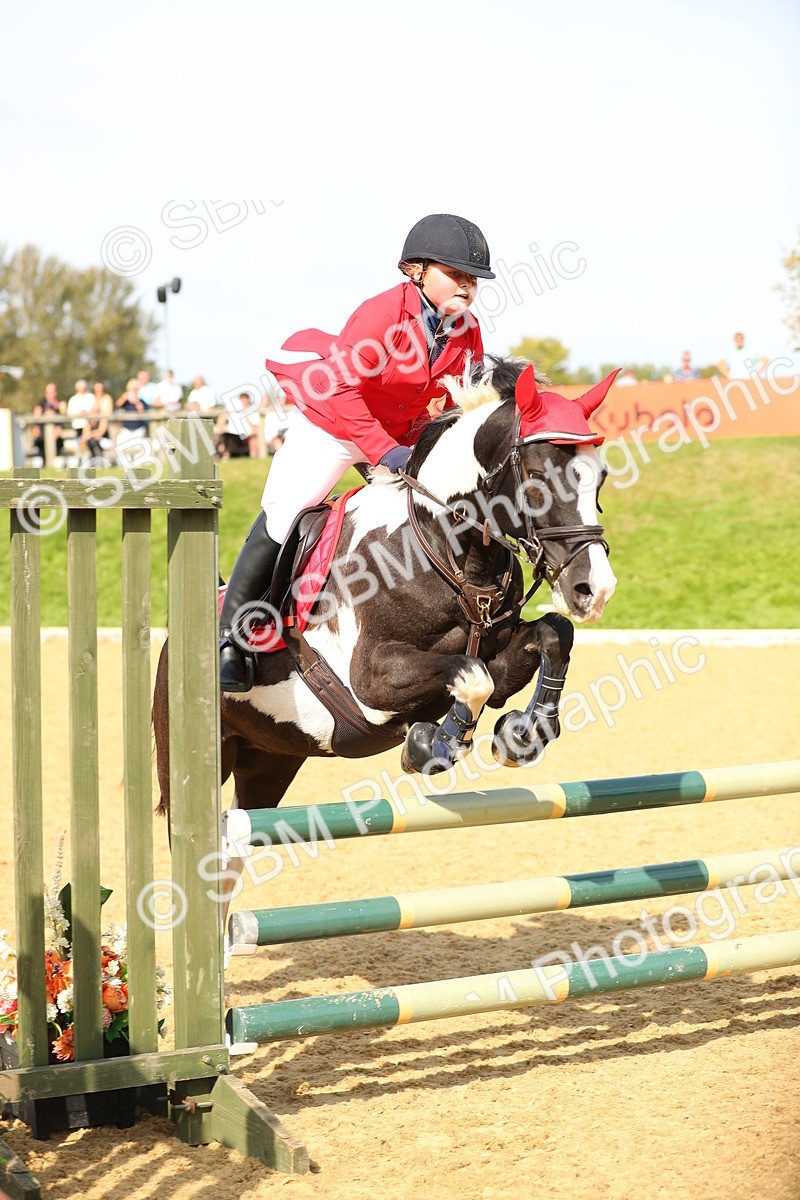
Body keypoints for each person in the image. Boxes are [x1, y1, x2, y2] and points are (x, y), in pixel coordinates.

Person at [219, 212, 494, 691]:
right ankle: (233, 638)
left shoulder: (467, 330)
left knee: (437, 511)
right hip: (334, 423)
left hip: (400, 432)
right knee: (286, 513)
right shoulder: (381, 314)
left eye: (472, 279)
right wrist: (383, 451)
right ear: (417, 270)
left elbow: (460, 398)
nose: (466, 288)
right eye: (455, 275)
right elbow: (344, 392)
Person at [31, 382, 64, 462]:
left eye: (52, 392)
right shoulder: (41, 404)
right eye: (49, 392)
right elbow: (36, 422)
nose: (51, 394)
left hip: (55, 437)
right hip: (42, 438)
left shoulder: (59, 405)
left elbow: (60, 425)